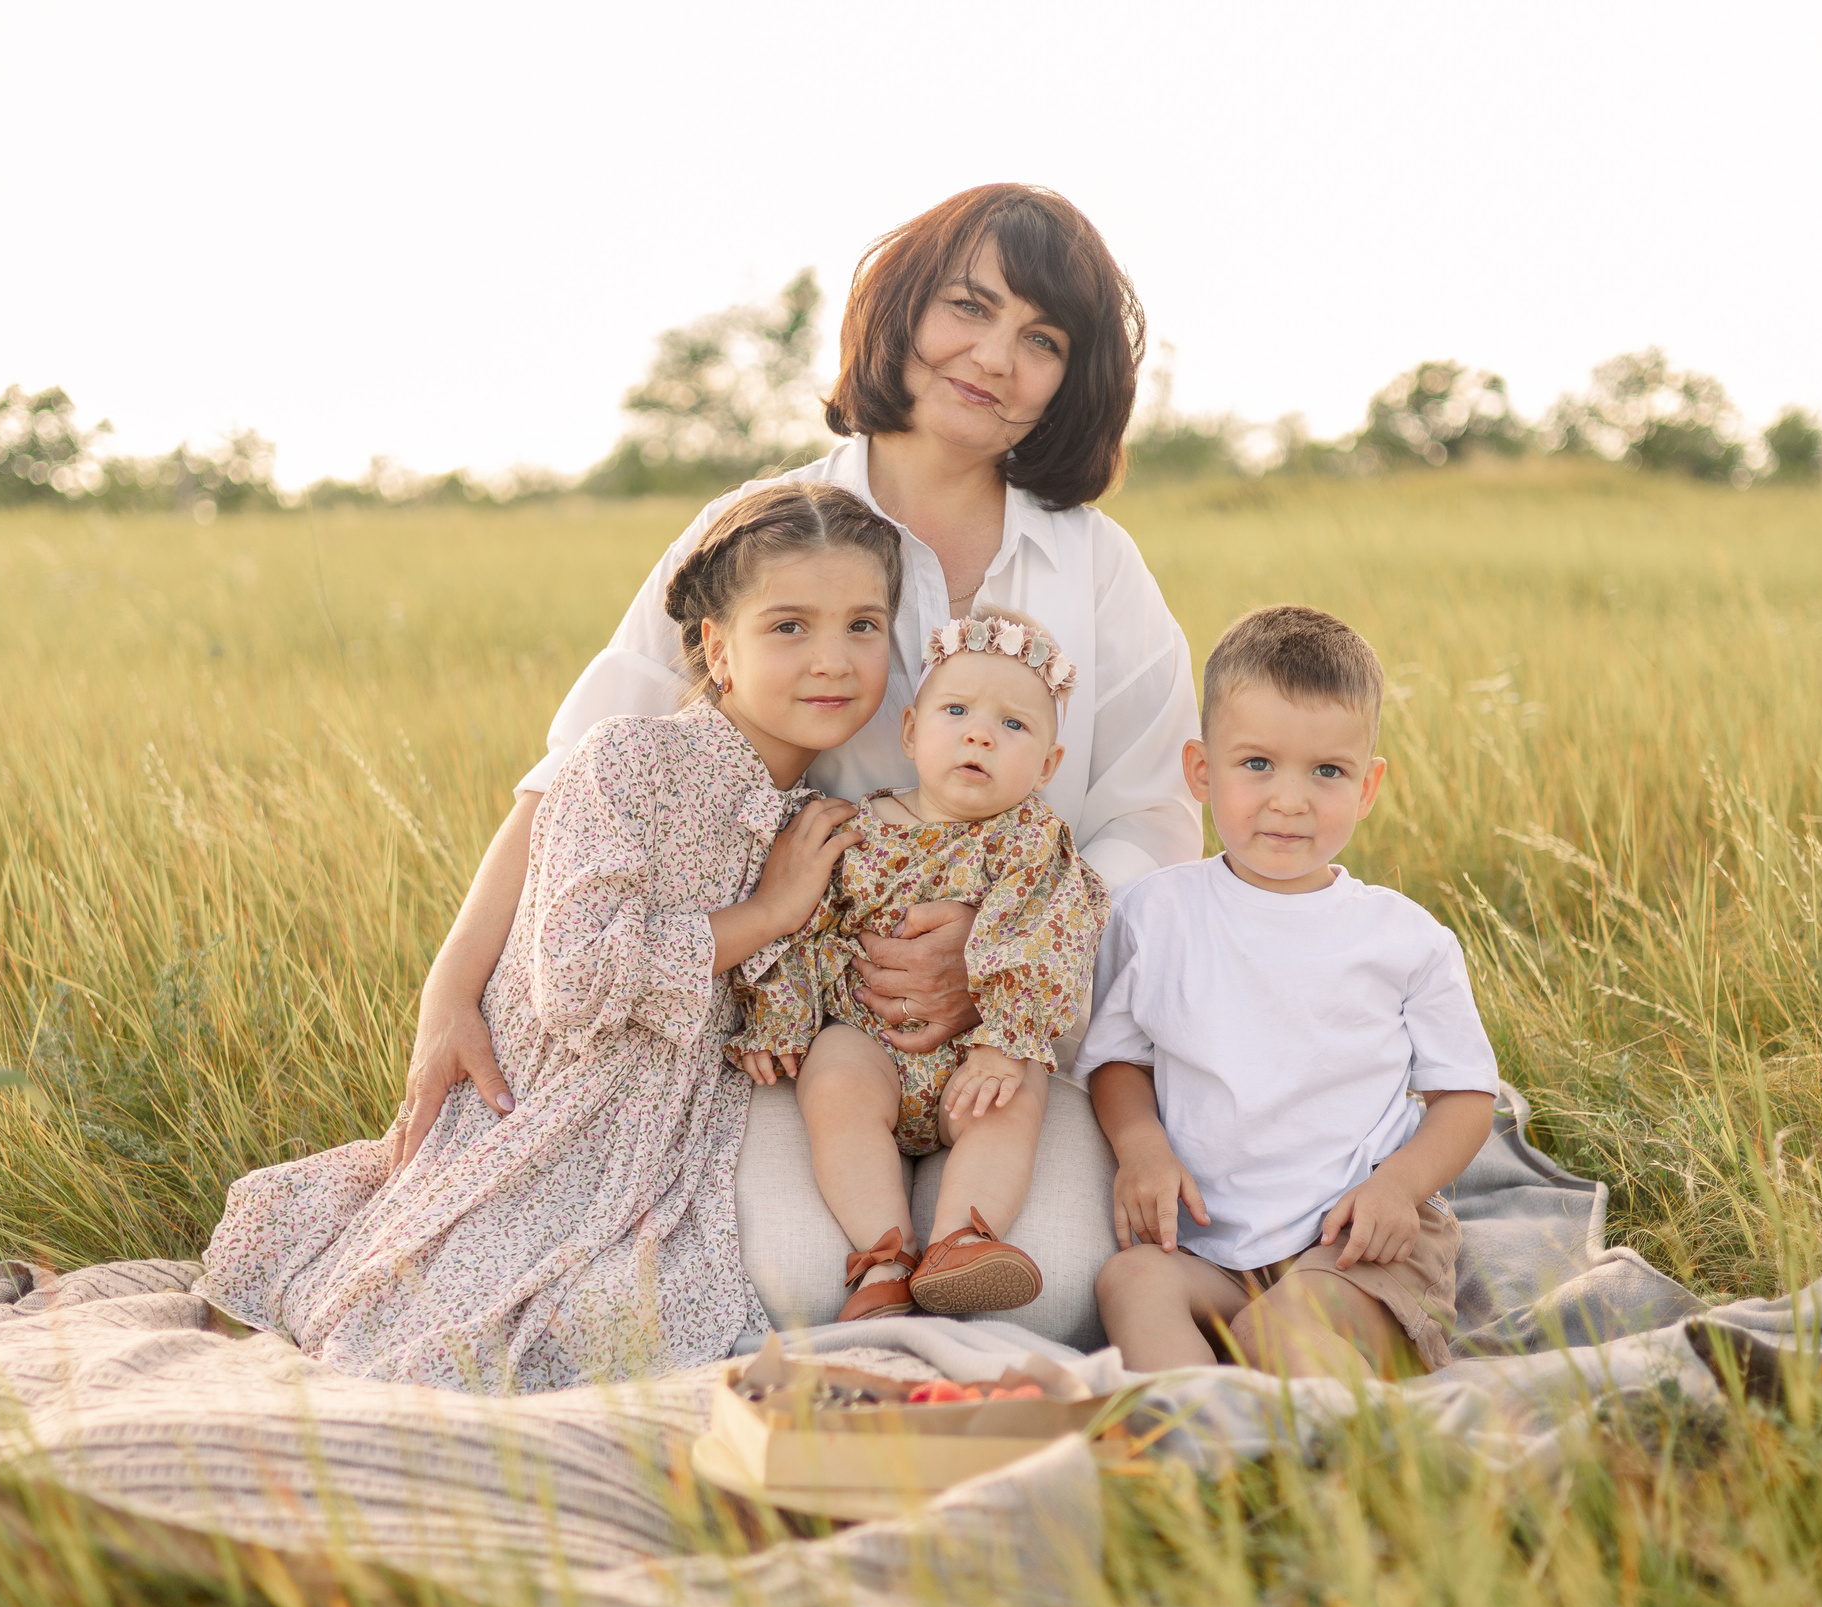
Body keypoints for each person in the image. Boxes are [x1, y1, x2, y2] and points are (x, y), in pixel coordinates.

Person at [388, 185, 1199, 1349]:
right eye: (968, 309)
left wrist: (993, 946)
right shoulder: (769, 523)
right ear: (902, 310)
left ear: (1069, 384)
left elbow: (1154, 815)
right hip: (803, 1027)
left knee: (1063, 1287)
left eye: (1042, 341)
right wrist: (450, 985)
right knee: (793, 1284)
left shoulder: (1093, 562)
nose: (993, 358)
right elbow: (582, 765)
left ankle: (956, 1268)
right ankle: (879, 1274)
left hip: (1019, 1028)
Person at [194, 485, 901, 1391]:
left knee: (638, 1322)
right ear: (719, 650)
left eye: (863, 626)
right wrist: (764, 915)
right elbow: (575, 978)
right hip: (547, 1105)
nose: (833, 661)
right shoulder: (627, 761)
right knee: (446, 1333)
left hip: (671, 1128)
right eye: (790, 627)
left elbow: (784, 998)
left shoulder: (810, 820)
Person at [1085, 606, 1501, 1379]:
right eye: (1256, 765)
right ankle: (1200, 1440)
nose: (1289, 799)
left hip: (1357, 1245)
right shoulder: (1155, 914)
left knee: (1279, 1335)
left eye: (1327, 772)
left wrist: (1399, 1187)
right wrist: (1141, 1146)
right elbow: (1117, 1059)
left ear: (1368, 785)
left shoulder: (1403, 939)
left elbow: (1467, 1095)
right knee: (1130, 1280)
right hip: (1215, 1247)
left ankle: (1316, 1457)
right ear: (1201, 770)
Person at [730, 609, 1107, 1322]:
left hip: (979, 1048)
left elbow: (1050, 936)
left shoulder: (1032, 842)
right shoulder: (859, 830)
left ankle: (963, 1237)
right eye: (957, 710)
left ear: (1048, 767)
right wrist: (778, 1018)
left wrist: (1002, 1040)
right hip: (868, 1039)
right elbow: (813, 933)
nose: (979, 733)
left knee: (1011, 1101)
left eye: (1014, 725)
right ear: (910, 732)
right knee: (833, 1083)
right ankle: (886, 1255)